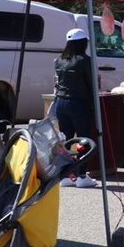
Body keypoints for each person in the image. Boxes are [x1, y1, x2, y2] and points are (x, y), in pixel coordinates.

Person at [53, 28, 98, 188]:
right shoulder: (85, 61)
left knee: (66, 138)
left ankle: (66, 174)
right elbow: (92, 85)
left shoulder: (59, 60)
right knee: (84, 138)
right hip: (78, 103)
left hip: (60, 102)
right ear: (83, 42)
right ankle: (81, 175)